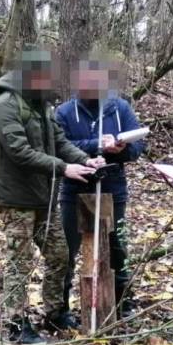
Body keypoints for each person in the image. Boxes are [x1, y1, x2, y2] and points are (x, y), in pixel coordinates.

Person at [0, 47, 105, 344]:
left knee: (59, 255)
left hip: (45, 198)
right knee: (20, 261)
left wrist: (84, 159)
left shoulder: (43, 106)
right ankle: (15, 326)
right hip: (16, 200)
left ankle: (55, 312)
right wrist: (64, 168)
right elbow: (19, 152)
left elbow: (60, 141)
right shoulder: (5, 105)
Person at [55, 55, 145, 318]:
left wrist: (121, 148)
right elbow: (60, 146)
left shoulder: (119, 109)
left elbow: (139, 146)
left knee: (117, 244)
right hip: (74, 188)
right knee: (68, 249)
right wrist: (96, 145)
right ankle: (60, 308)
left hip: (113, 188)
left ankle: (123, 301)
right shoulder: (65, 112)